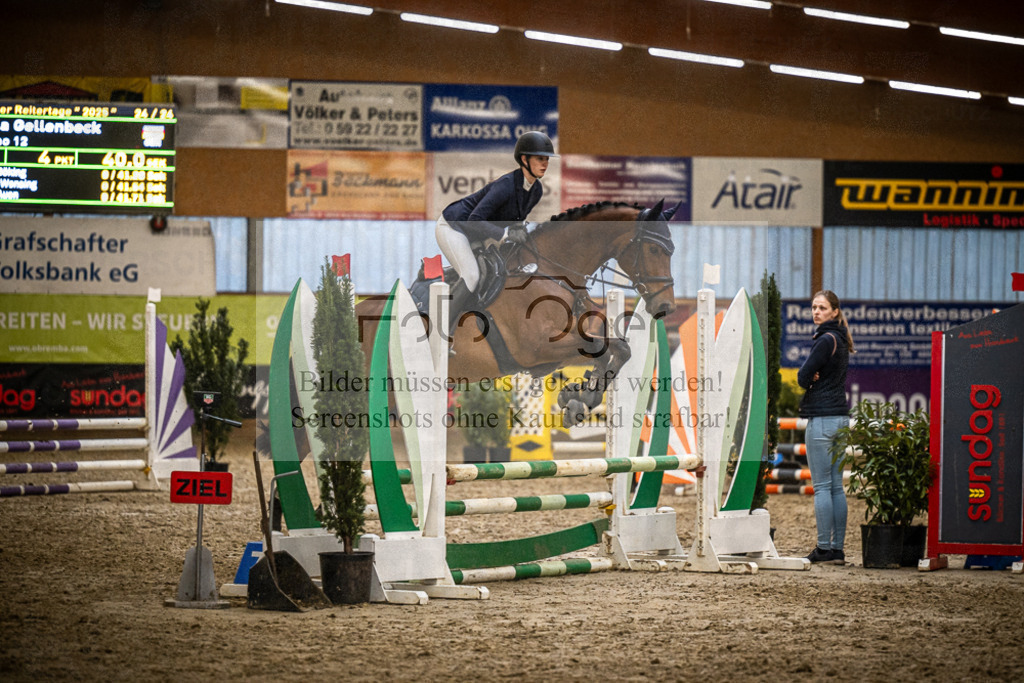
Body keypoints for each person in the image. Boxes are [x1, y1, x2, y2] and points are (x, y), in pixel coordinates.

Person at [435, 130, 557, 338]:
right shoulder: (506, 185)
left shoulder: (536, 191)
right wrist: (506, 233)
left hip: (479, 235)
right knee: (472, 275)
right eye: (539, 159)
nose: (544, 163)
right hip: (454, 227)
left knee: (497, 271)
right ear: (524, 159)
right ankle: (439, 332)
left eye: (546, 159)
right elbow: (474, 220)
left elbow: (515, 222)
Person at [797, 290, 855, 565]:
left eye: (821, 308)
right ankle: (837, 549)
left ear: (834, 311)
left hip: (821, 419)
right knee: (835, 487)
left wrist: (810, 378)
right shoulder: (841, 339)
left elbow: (802, 376)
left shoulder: (824, 340)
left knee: (821, 487)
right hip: (841, 419)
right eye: (813, 308)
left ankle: (823, 548)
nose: (816, 312)